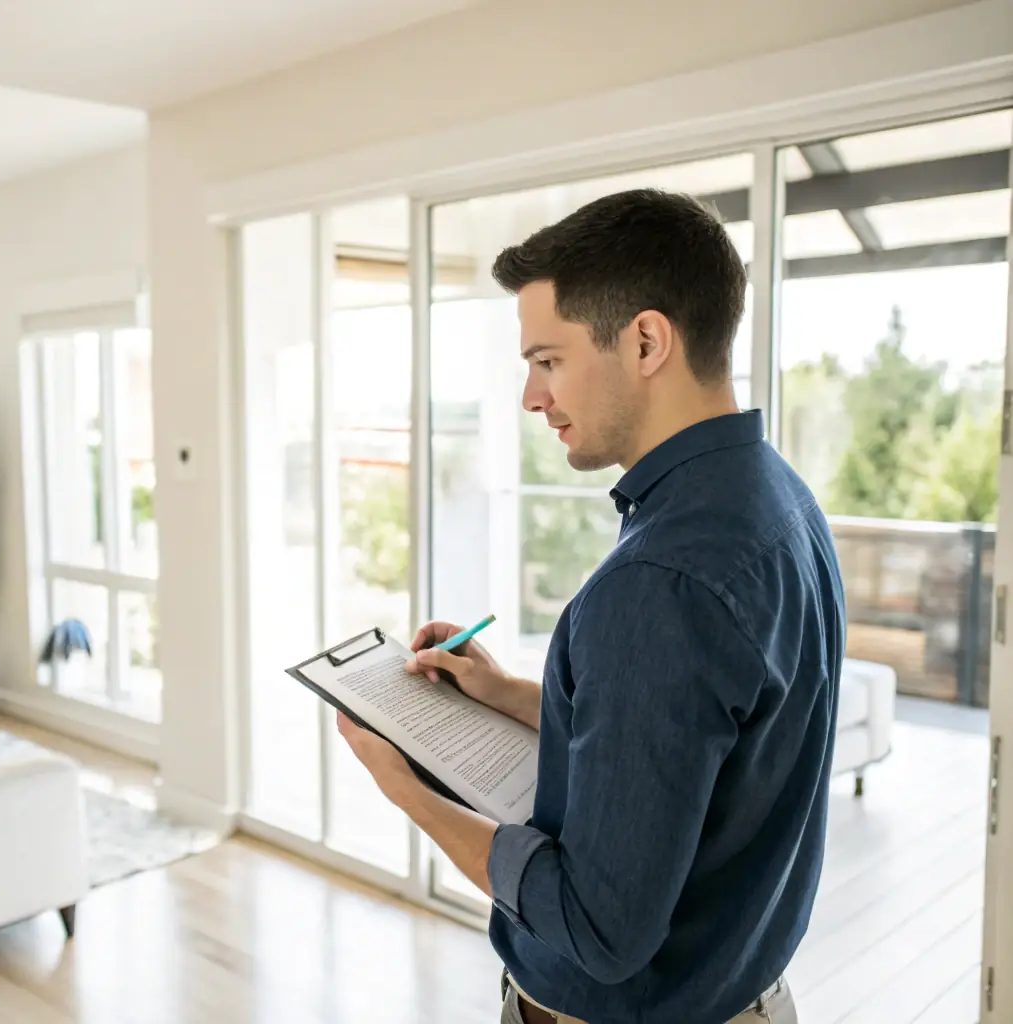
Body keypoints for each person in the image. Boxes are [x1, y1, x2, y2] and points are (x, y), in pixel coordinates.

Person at [336, 188, 843, 1024]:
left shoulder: (660, 579)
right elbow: (695, 750)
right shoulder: (777, 498)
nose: (531, 397)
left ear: (645, 341)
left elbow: (598, 929)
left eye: (547, 360)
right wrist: (508, 694)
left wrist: (408, 793)